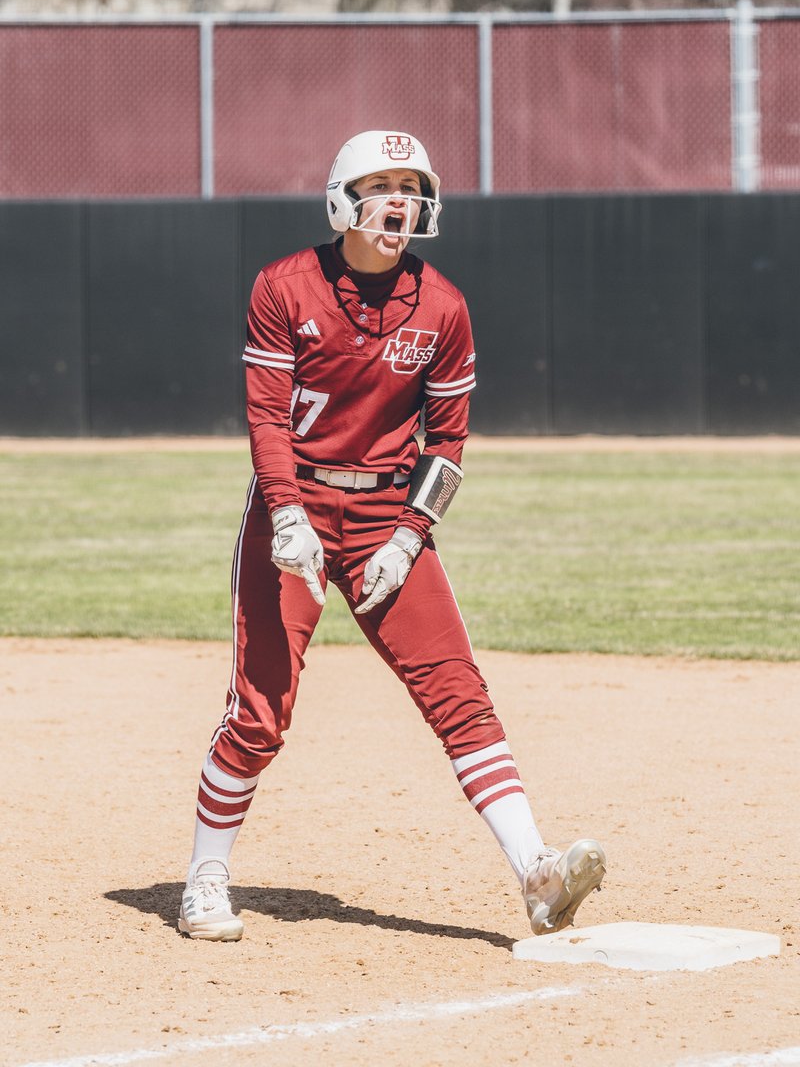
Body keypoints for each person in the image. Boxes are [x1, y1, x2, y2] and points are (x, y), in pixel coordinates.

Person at [178, 130, 607, 942]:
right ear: (342, 198)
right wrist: (288, 516)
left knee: (460, 694)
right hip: (294, 501)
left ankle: (537, 873)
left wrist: (411, 536)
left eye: (411, 187)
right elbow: (268, 417)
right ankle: (206, 875)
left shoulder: (442, 304)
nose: (399, 201)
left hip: (384, 514)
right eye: (381, 185)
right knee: (260, 710)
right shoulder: (285, 286)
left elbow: (447, 444)